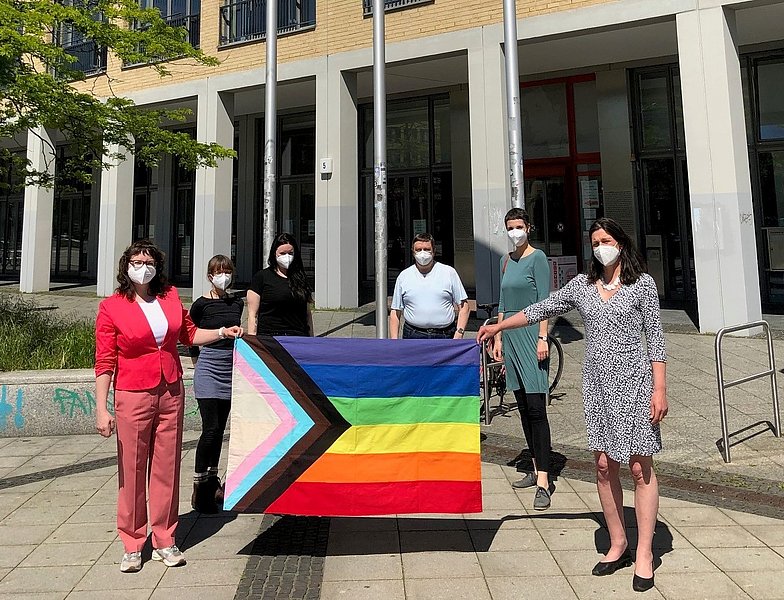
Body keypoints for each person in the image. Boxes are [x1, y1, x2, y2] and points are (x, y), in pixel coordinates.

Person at [478, 217, 668, 593]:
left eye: (606, 240)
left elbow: (656, 339)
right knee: (603, 466)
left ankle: (645, 553)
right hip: (598, 389)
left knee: (639, 467)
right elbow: (541, 308)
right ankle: (618, 542)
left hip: (636, 386)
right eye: (595, 242)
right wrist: (499, 326)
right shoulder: (582, 285)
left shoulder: (642, 284)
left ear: (620, 243)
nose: (601, 247)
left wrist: (659, 389)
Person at [94, 240, 243, 574]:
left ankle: (165, 538)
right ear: (126, 266)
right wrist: (101, 408)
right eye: (136, 261)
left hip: (170, 391)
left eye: (148, 261)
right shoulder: (112, 307)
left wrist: (222, 331)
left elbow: (188, 334)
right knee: (132, 470)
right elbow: (104, 360)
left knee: (166, 468)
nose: (143, 267)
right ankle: (133, 543)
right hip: (132, 393)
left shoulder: (170, 296)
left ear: (157, 266)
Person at [493, 208, 554, 510]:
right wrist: (498, 336)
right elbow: (503, 302)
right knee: (522, 407)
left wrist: (543, 337)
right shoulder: (505, 261)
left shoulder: (538, 258)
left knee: (536, 407)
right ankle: (534, 464)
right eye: (510, 227)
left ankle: (544, 479)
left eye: (519, 226)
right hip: (511, 338)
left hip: (531, 337)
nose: (514, 232)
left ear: (528, 227)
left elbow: (545, 301)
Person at [189, 255, 244, 513]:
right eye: (219, 272)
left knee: (220, 430)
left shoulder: (237, 303)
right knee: (210, 429)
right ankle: (200, 486)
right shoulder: (200, 305)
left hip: (230, 367)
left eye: (228, 271)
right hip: (209, 367)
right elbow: (190, 335)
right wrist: (196, 363)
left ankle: (213, 483)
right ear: (210, 276)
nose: (224, 276)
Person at [389, 233, 470, 339]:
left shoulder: (449, 273)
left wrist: (459, 332)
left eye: (427, 249)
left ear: (434, 251)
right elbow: (395, 311)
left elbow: (464, 306)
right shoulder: (404, 276)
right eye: (418, 250)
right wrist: (394, 341)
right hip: (413, 335)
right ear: (413, 252)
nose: (422, 253)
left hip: (445, 335)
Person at [247, 232, 314, 337]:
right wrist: (252, 340)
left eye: (290, 253)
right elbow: (252, 314)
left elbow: (307, 314)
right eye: (282, 253)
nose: (287, 257)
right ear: (274, 254)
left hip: (299, 337)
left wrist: (311, 339)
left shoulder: (300, 278)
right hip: (271, 337)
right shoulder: (262, 277)